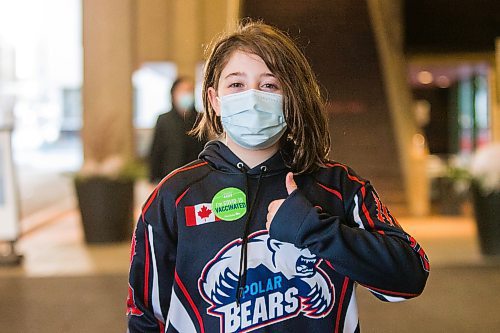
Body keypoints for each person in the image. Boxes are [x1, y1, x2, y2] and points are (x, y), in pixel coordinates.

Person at [127, 21, 429, 333]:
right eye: (236, 85)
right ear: (215, 100)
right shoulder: (174, 197)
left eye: (269, 85)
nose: (253, 97)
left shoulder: (337, 187)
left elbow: (410, 277)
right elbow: (146, 316)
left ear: (290, 97)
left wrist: (317, 231)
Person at [148, 77, 206, 184]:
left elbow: (205, 150)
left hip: (195, 179)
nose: (186, 94)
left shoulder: (200, 119)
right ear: (173, 94)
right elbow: (156, 151)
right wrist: (153, 179)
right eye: (182, 90)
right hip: (169, 178)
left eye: (189, 90)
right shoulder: (164, 119)